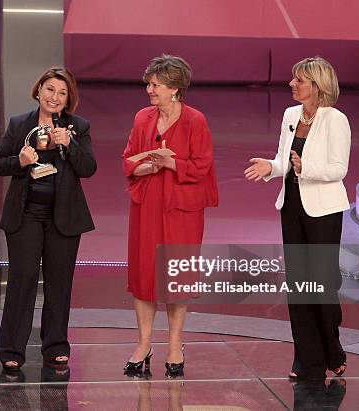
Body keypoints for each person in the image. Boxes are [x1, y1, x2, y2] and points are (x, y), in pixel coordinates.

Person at [244, 56, 351, 380]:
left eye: (299, 80)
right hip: (291, 205)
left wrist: (307, 169)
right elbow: (283, 159)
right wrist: (271, 167)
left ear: (316, 87)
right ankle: (306, 357)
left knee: (322, 284)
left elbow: (338, 169)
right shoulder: (291, 115)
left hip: (323, 211)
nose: (292, 84)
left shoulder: (335, 119)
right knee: (299, 285)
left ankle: (333, 350)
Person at [0, 67, 96, 371]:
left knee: (59, 284)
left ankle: (56, 347)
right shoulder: (19, 123)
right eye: (50, 89)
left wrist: (69, 144)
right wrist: (20, 161)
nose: (55, 96)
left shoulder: (78, 127)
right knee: (22, 281)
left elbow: (88, 168)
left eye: (62, 93)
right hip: (26, 214)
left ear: (68, 100)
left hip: (63, 217)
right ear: (39, 91)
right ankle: (12, 348)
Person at [122, 55, 218, 376]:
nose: (149, 89)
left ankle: (175, 344)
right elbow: (128, 159)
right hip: (147, 205)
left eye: (155, 84)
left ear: (175, 88)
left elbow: (202, 166)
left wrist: (169, 162)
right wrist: (147, 164)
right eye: (148, 83)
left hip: (181, 208)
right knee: (144, 275)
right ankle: (144, 343)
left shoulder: (195, 120)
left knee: (175, 276)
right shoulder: (142, 118)